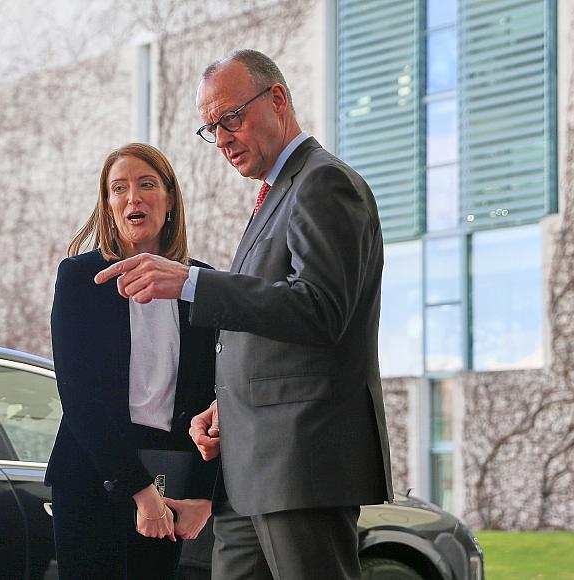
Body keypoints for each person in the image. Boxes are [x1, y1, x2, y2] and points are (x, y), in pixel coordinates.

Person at [94, 50, 393, 579]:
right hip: (250, 465)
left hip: (301, 462)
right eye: (211, 128)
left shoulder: (323, 183)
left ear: (277, 99)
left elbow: (321, 309)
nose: (223, 139)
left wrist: (192, 282)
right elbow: (273, 328)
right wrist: (225, 405)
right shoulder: (276, 194)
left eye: (231, 118)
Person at [44, 143, 217, 580]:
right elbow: (80, 398)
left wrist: (203, 494)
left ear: (170, 198)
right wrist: (140, 492)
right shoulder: (80, 278)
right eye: (118, 188)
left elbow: (216, 398)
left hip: (173, 483)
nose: (132, 198)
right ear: (108, 205)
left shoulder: (201, 284)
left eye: (147, 184)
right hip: (92, 476)